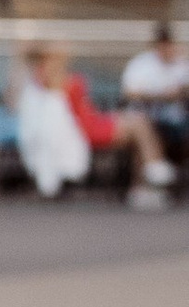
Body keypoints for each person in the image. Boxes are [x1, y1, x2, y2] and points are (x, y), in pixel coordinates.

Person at [66, 56, 176, 207]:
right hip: (86, 127)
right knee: (140, 124)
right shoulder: (59, 84)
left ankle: (142, 186)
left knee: (139, 130)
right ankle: (153, 167)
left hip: (91, 120)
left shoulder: (65, 81)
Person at [10, 41, 91, 198]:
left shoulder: (69, 80)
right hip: (34, 127)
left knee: (53, 115)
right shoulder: (30, 80)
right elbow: (14, 104)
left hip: (66, 128)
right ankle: (50, 179)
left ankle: (59, 176)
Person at [121, 22, 189, 181]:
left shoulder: (182, 64)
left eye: (169, 44)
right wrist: (159, 96)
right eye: (163, 44)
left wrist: (181, 91)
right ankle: (146, 183)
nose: (166, 48)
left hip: (178, 119)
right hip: (150, 118)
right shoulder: (141, 64)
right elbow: (129, 93)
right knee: (143, 128)